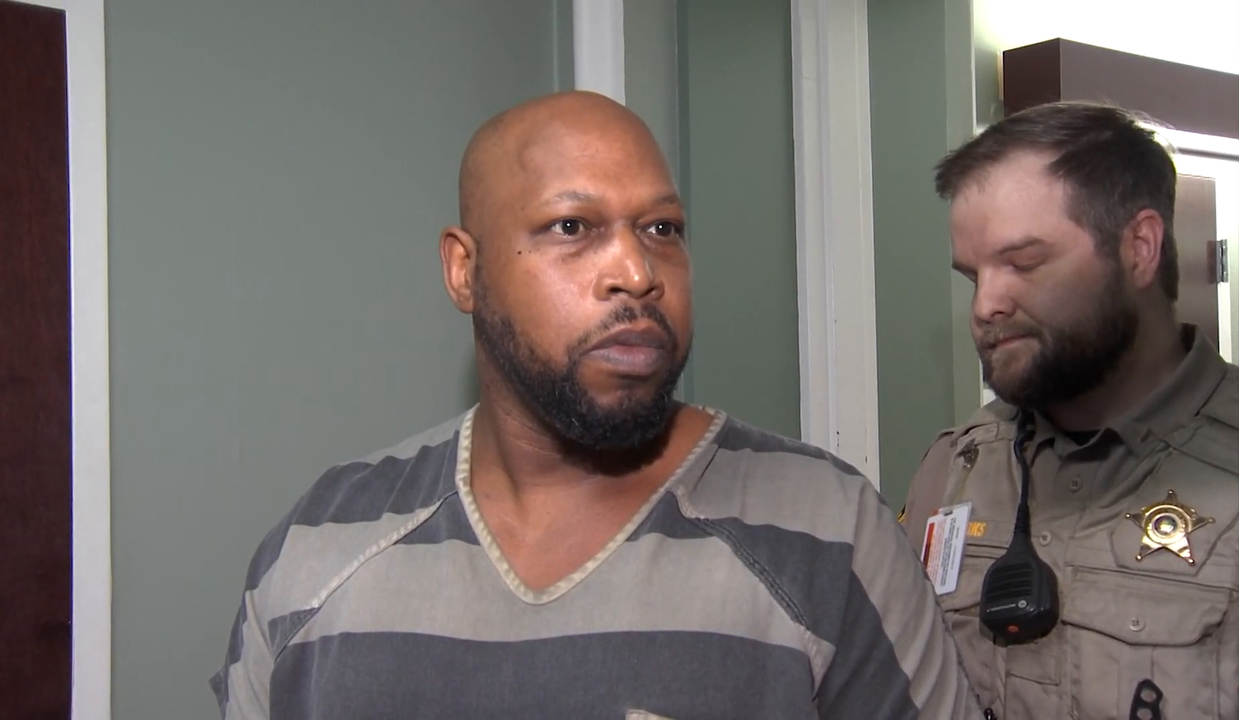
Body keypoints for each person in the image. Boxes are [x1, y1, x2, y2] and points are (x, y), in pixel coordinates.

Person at [211, 90, 981, 719]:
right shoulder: (322, 548)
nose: (637, 272)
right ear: (464, 271)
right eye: (572, 227)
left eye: (662, 228)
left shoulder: (826, 531)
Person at [902, 100, 1239, 720]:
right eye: (972, 275)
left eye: (1024, 263)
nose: (985, 306)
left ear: (1139, 248)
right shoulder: (955, 469)